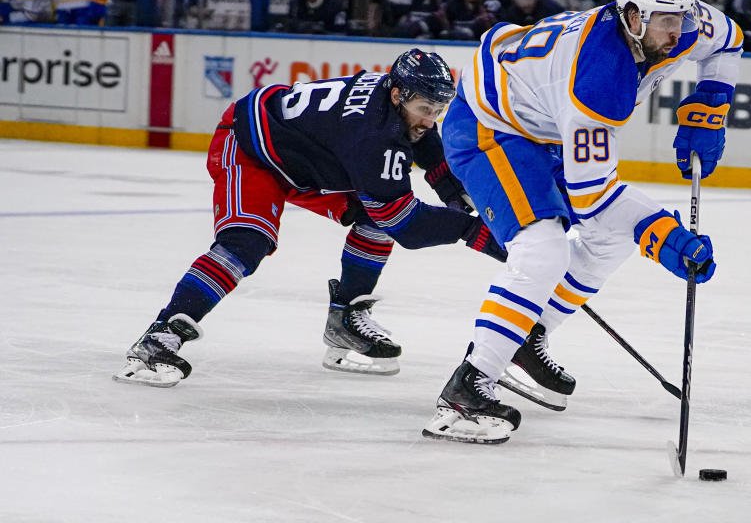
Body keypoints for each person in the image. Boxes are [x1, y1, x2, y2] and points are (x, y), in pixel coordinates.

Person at [422, 0, 742, 444]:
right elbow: (593, 197)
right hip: (490, 126)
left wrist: (711, 102)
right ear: (632, 17)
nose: (677, 33)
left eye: (681, 17)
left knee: (608, 240)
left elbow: (731, 40)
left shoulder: (686, 25)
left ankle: (527, 335)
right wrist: (663, 234)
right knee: (542, 247)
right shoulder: (599, 78)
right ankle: (467, 389)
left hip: (542, 120)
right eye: (664, 21)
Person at [114, 50, 507, 388]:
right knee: (245, 244)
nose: (430, 119)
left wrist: (454, 191)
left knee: (373, 213)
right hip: (252, 146)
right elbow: (407, 225)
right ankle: (158, 337)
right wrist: (473, 230)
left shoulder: (393, 102)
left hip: (307, 157)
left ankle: (345, 320)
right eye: (425, 109)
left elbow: (424, 143)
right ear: (397, 94)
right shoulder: (372, 137)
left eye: (437, 110)